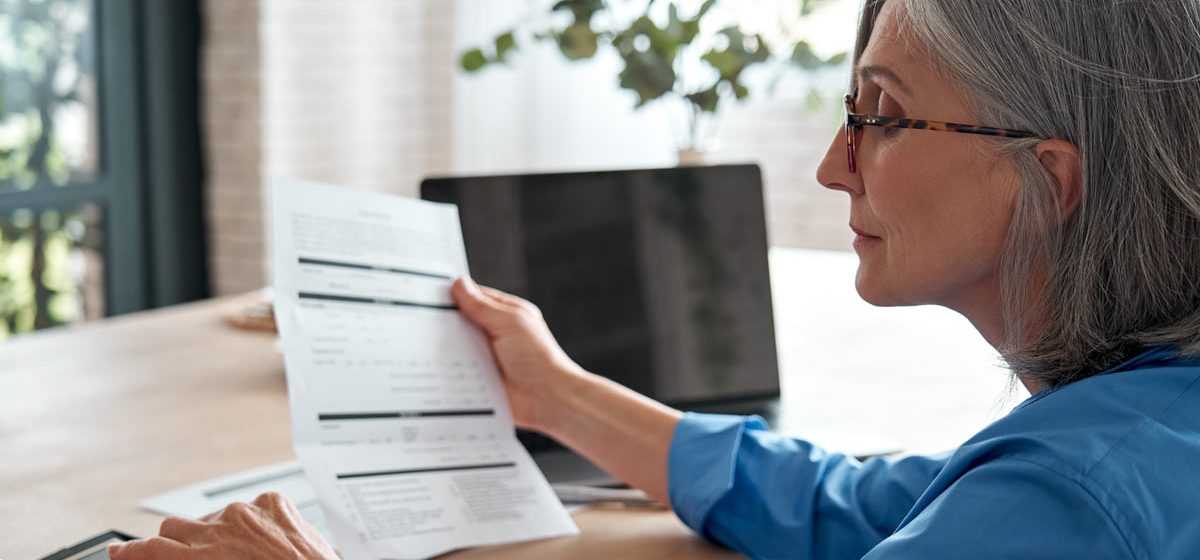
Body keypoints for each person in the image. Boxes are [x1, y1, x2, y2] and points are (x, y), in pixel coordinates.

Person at [110, 0, 1200, 558]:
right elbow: (858, 505)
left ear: (1046, 179)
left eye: (882, 113)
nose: (834, 162)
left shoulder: (1070, 503)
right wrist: (553, 391)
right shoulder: (1126, 432)